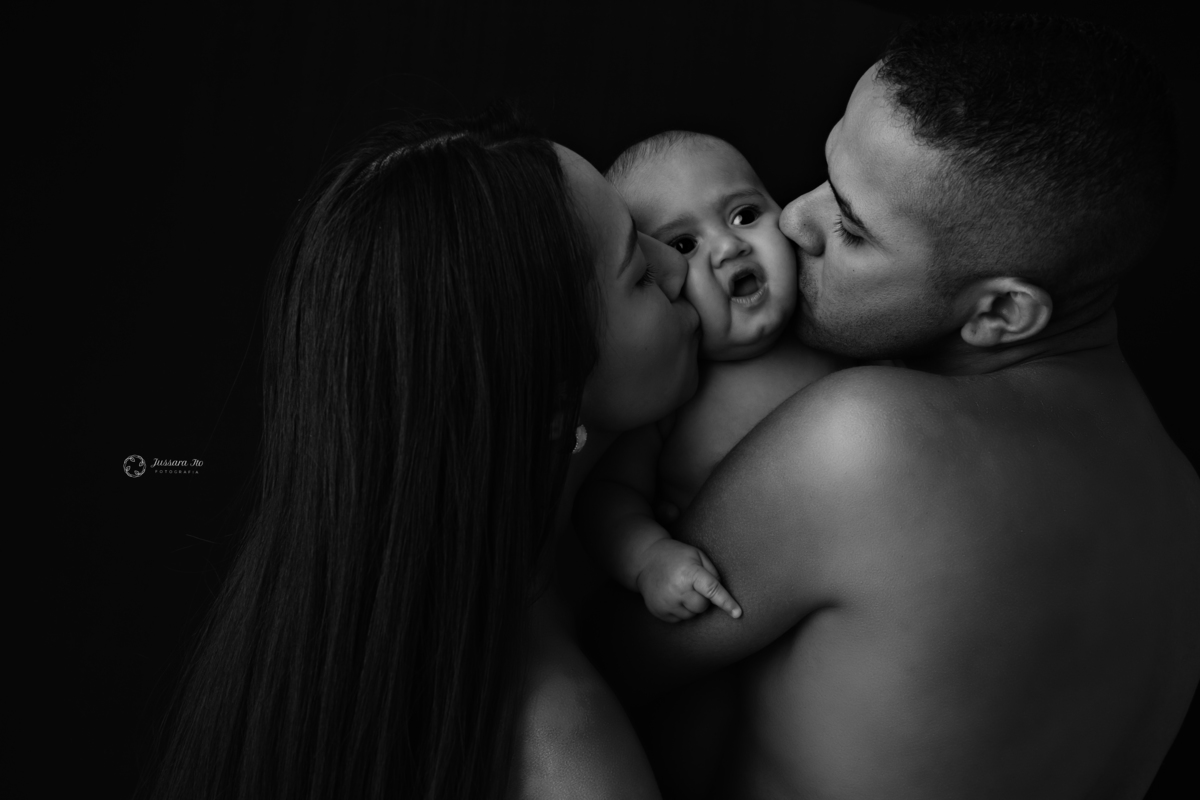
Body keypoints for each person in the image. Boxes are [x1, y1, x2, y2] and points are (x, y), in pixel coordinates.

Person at [584, 14, 1200, 799]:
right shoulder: (1184, 507)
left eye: (850, 225)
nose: (794, 219)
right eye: (825, 171)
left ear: (1000, 314)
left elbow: (577, 679)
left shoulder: (873, 443)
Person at [148, 108, 698, 800]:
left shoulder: (312, 640)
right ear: (554, 401)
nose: (678, 263)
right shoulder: (563, 752)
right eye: (638, 274)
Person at [576, 132, 841, 623]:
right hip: (733, 608)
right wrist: (650, 559)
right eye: (684, 244)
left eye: (745, 215)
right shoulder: (672, 391)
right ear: (659, 280)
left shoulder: (836, 335)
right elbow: (608, 498)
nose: (727, 246)